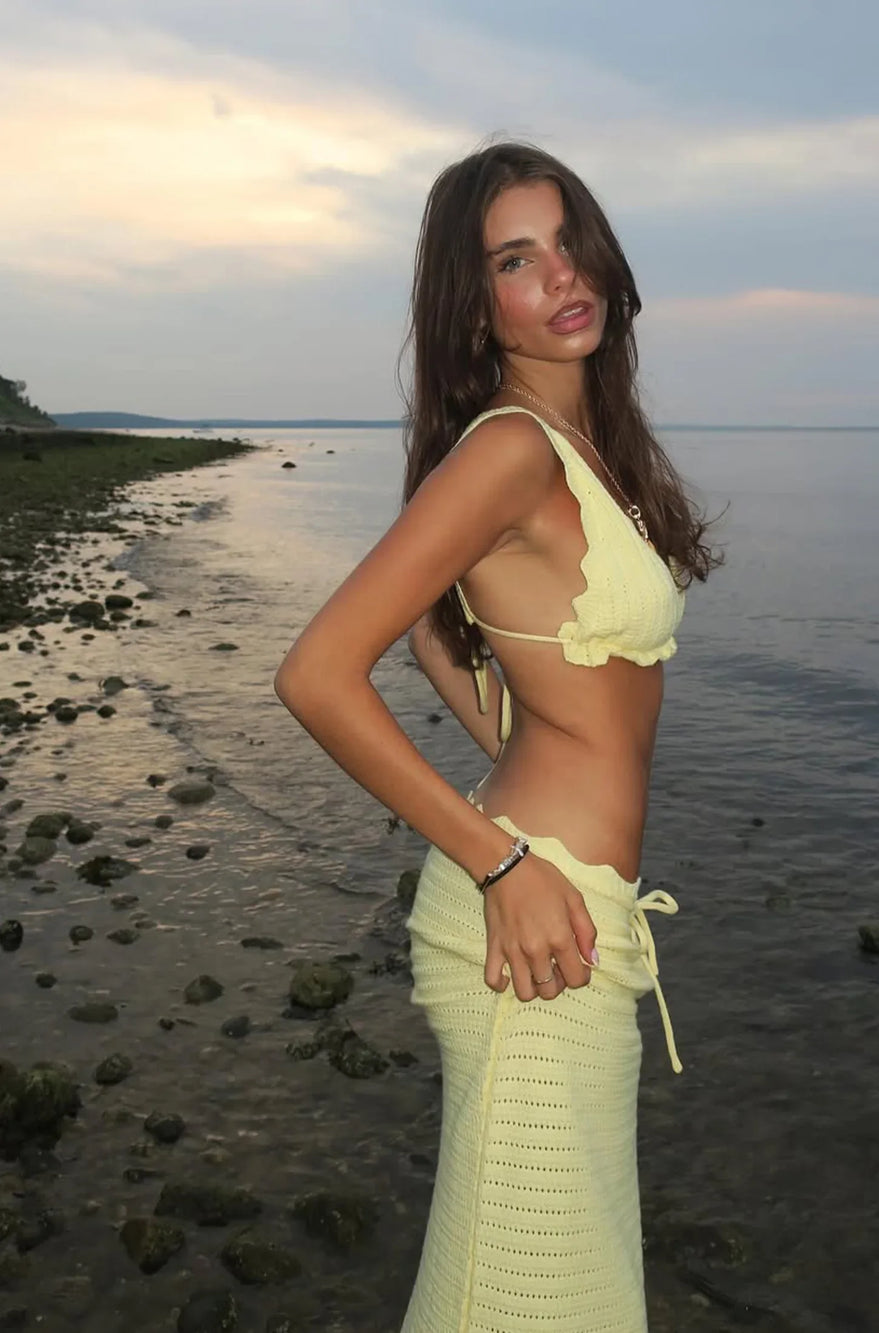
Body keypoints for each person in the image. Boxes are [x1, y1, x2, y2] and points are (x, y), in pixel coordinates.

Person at [274, 139, 722, 1333]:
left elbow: (456, 642)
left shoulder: (585, 454)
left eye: (569, 240)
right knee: (523, 1298)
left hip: (582, 914)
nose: (560, 274)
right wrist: (502, 862)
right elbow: (318, 673)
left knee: (566, 1289)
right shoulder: (510, 449)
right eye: (516, 259)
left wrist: (499, 744)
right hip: (529, 919)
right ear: (475, 305)